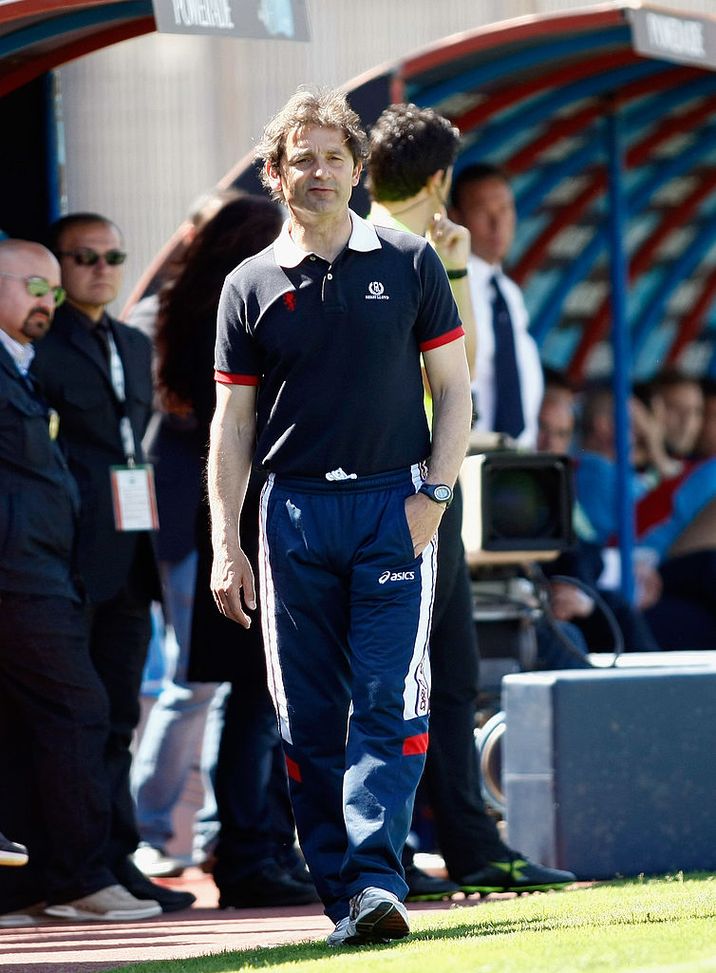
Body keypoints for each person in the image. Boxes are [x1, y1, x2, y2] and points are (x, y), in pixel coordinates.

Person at [208, 87, 473, 947]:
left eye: (332, 157)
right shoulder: (247, 284)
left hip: (393, 506)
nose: (316, 173)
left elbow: (456, 389)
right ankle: (344, 893)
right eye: (300, 159)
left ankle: (375, 876)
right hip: (291, 517)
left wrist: (433, 495)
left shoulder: (408, 260)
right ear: (275, 174)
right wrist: (227, 543)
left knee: (390, 697)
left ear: (358, 170)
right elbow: (232, 425)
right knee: (308, 716)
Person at [366, 103, 576, 898]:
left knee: (451, 674)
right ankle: (379, 856)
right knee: (389, 682)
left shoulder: (435, 252)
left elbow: (463, 381)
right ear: (441, 178)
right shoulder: (371, 251)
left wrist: (451, 268)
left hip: (438, 487)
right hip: (392, 494)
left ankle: (471, 844)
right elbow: (442, 381)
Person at [133, 194, 317, 907]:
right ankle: (229, 845)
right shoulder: (233, 314)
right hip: (228, 524)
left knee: (245, 695)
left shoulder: (196, 309)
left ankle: (247, 841)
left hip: (230, 520)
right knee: (234, 694)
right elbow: (224, 424)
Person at [31, 215, 194, 914]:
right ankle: (78, 865)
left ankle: (119, 858)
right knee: (77, 719)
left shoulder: (133, 341)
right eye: (84, 257)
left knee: (122, 714)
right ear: (58, 269)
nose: (101, 268)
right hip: (69, 556)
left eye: (112, 256)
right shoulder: (41, 348)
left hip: (132, 556)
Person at [0, 239, 160, 924]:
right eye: (35, 284)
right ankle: (78, 878)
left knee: (43, 719)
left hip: (47, 568)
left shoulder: (25, 365)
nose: (48, 298)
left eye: (51, 290)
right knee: (77, 709)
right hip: (19, 574)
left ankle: (32, 881)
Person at [449, 163, 543, 446]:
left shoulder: (508, 292)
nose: (497, 222)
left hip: (516, 456)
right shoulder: (451, 283)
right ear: (456, 217)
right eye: (482, 211)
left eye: (505, 209)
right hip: (472, 453)